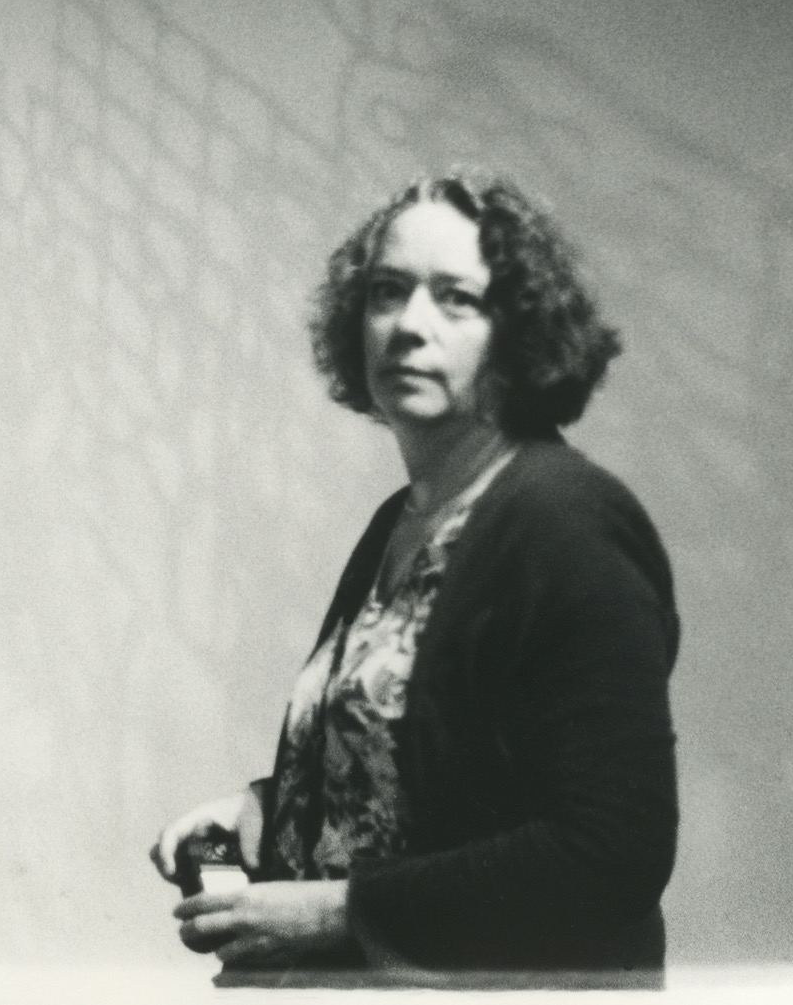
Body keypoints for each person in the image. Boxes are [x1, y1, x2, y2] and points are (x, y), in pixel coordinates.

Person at [150, 172, 679, 989]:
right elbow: (422, 772)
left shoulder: (567, 522)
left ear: (518, 332)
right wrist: (268, 809)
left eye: (455, 299)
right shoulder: (402, 519)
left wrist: (335, 911)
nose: (408, 325)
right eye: (387, 292)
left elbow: (612, 850)